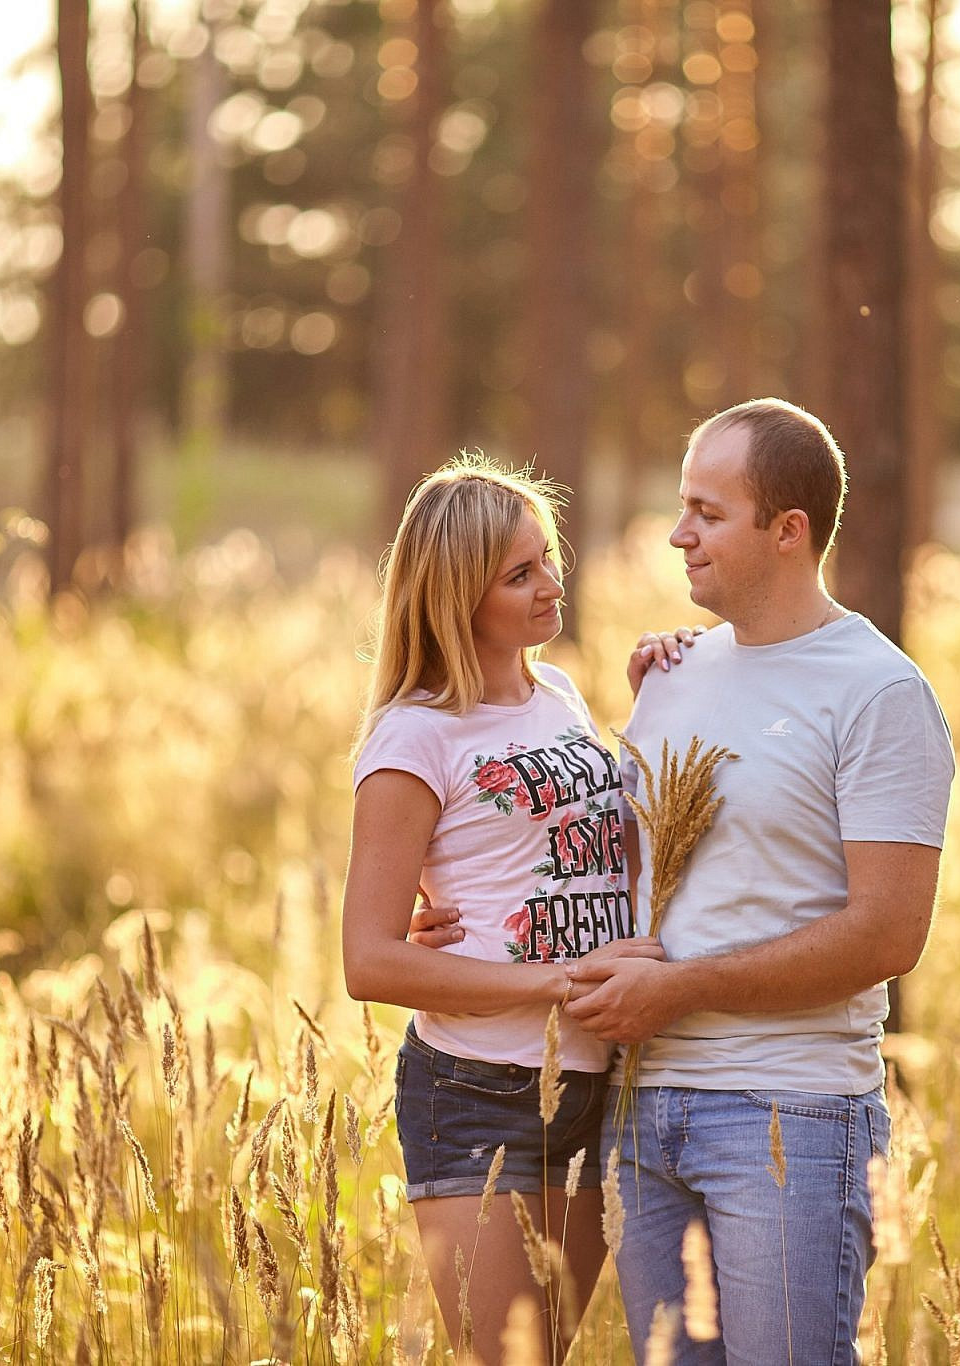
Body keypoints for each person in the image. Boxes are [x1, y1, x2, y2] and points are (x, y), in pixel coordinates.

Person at [563, 397, 957, 1364]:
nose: (676, 533)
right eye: (681, 506)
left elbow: (887, 936)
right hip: (643, 1109)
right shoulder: (674, 672)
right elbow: (631, 864)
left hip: (789, 1116)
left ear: (789, 532)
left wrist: (682, 988)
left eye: (706, 511)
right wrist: (455, 903)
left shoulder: (878, 692)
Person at [340, 456, 688, 1365]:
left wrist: (654, 703)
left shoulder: (562, 695)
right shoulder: (414, 737)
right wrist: (555, 981)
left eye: (548, 559)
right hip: (477, 1090)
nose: (551, 586)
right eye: (520, 574)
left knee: (550, 1354)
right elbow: (368, 960)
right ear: (458, 596)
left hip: (595, 1082)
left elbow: (580, 845)